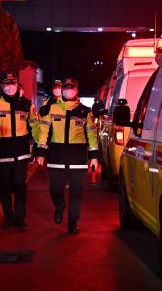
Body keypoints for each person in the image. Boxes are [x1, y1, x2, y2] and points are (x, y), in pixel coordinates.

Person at [36, 77, 99, 234]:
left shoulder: (85, 111)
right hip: (56, 157)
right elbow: (44, 131)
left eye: (72, 88)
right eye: (66, 88)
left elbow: (91, 134)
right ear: (62, 90)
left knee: (76, 193)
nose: (68, 90)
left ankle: (72, 222)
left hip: (77, 158)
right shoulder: (52, 109)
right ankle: (59, 206)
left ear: (76, 90)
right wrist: (41, 152)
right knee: (55, 189)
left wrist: (94, 156)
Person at [0, 71, 39, 231]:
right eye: (6, 84)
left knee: (20, 186)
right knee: (4, 187)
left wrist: (39, 145)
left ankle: (20, 219)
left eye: (13, 83)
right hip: (2, 154)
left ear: (17, 85)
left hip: (21, 154)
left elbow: (36, 126)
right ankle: (8, 219)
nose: (10, 86)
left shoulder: (27, 105)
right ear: (1, 86)